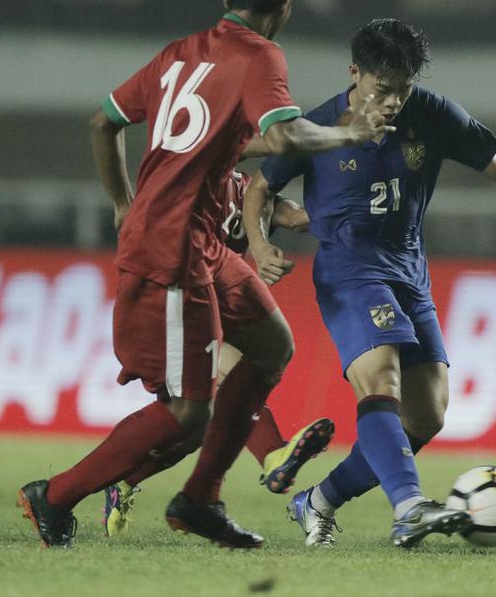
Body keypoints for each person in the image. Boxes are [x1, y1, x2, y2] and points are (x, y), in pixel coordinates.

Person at [17, 0, 392, 550]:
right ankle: (55, 495)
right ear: (287, 7)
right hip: (171, 251)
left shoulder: (177, 56)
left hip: (200, 242)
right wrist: (348, 132)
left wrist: (121, 202)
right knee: (190, 413)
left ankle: (200, 499)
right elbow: (286, 133)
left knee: (272, 346)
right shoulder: (260, 57)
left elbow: (103, 123)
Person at [244, 18, 496, 548]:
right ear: (355, 73)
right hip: (349, 271)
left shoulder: (433, 113)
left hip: (409, 274)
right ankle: (409, 508)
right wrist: (260, 244)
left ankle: (319, 501)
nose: (393, 102)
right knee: (382, 380)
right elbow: (259, 188)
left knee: (427, 416)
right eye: (383, 90)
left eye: (402, 90)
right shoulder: (318, 128)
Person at [102, 171, 336, 536]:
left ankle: (122, 482)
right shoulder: (190, 177)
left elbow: (296, 217)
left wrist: (352, 190)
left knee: (193, 431)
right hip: (173, 307)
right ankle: (274, 455)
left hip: (214, 308)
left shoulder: (250, 188)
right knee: (230, 379)